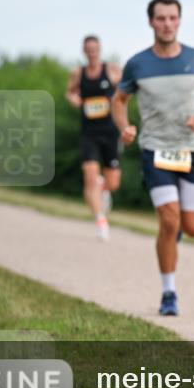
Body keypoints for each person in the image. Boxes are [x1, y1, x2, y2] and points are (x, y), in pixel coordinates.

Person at [111, 0, 194, 316]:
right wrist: (125, 126)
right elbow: (118, 100)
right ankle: (169, 293)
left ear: (179, 20)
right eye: (161, 18)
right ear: (151, 22)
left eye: (172, 18)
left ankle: (170, 234)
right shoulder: (138, 64)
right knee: (169, 219)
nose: (167, 24)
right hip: (156, 149)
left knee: (192, 228)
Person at [65, 35, 121, 241]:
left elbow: (125, 92)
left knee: (113, 182)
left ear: (100, 50)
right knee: (89, 175)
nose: (92, 53)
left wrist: (115, 100)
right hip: (89, 132)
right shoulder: (78, 73)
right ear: (83, 51)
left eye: (94, 49)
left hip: (110, 131)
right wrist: (76, 100)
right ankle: (100, 221)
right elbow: (70, 93)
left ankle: (103, 189)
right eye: (88, 49)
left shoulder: (113, 70)